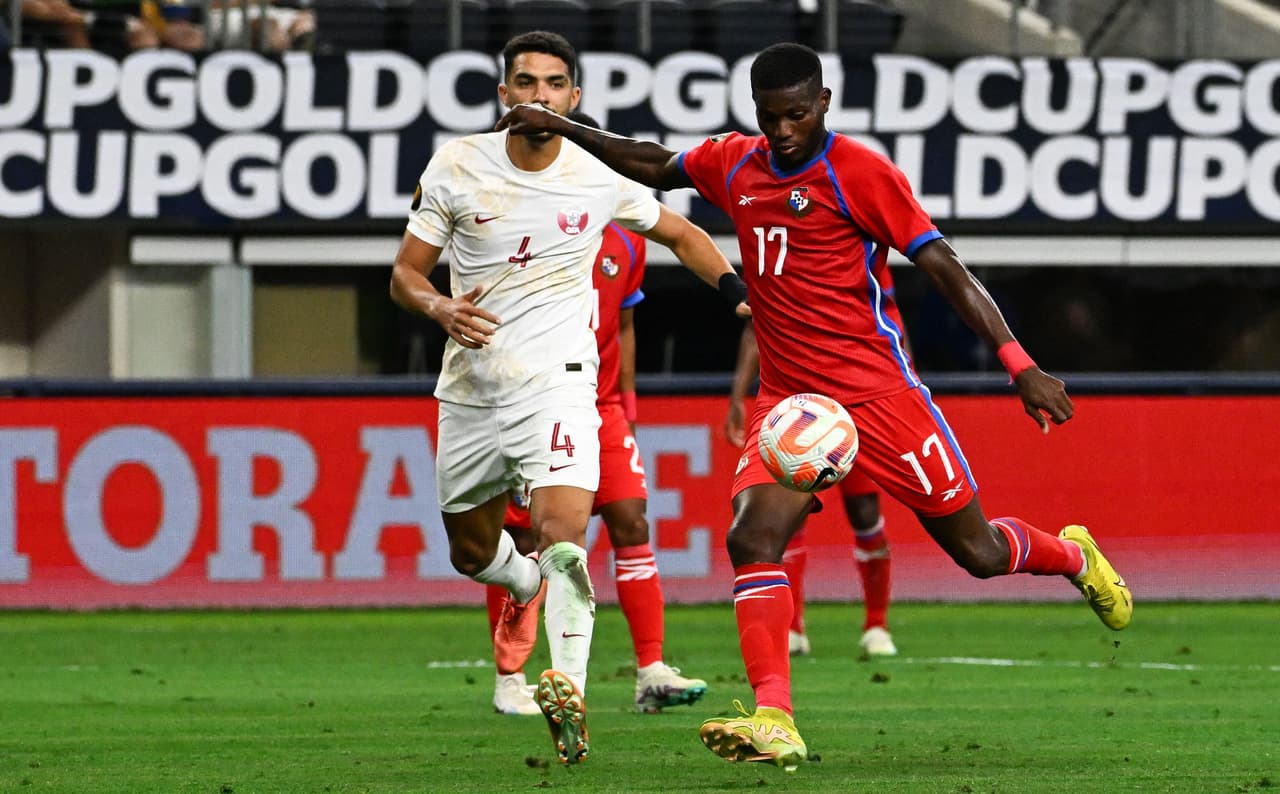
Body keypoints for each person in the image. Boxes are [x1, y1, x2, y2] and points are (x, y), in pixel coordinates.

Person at [497, 41, 1133, 774]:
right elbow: (654, 160)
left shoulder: (860, 173)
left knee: (979, 553)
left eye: (797, 115)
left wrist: (1018, 363)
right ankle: (776, 716)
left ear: (823, 103)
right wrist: (566, 125)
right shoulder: (737, 162)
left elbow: (943, 267)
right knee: (751, 539)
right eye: (770, 118)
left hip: (881, 396)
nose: (783, 132)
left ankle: (1072, 555)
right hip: (791, 403)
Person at [389, 31, 747, 766]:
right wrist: (438, 309)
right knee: (470, 553)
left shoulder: (596, 173)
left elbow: (680, 231)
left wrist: (741, 295)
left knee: (563, 537)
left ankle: (569, 689)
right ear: (504, 95)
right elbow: (404, 275)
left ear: (573, 99)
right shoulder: (457, 165)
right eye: (525, 82)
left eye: (554, 84)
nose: (539, 96)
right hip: (469, 391)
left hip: (560, 383)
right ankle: (521, 585)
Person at [487, 110, 710, 719]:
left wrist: (628, 405)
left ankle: (651, 670)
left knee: (632, 519)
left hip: (603, 405)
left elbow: (626, 324)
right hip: (532, 401)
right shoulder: (517, 229)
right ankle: (512, 678)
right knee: (528, 538)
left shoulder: (627, 239)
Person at [725, 321, 897, 659]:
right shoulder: (772, 270)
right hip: (794, 414)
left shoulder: (861, 274)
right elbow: (754, 329)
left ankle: (877, 625)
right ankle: (792, 628)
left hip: (855, 407)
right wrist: (737, 395)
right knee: (788, 520)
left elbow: (892, 330)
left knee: (865, 513)